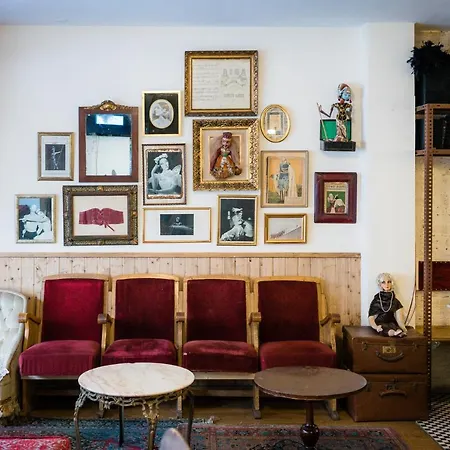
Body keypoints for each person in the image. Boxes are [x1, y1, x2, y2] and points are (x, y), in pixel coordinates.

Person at [368, 273, 408, 338]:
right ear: (380, 284)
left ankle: (398, 332)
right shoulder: (377, 300)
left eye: (389, 282)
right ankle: (394, 333)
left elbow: (399, 318)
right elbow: (371, 317)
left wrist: (403, 328)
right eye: (383, 282)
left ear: (392, 283)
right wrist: (376, 327)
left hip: (391, 323)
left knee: (396, 328)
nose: (387, 285)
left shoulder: (394, 301)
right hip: (380, 323)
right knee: (386, 330)